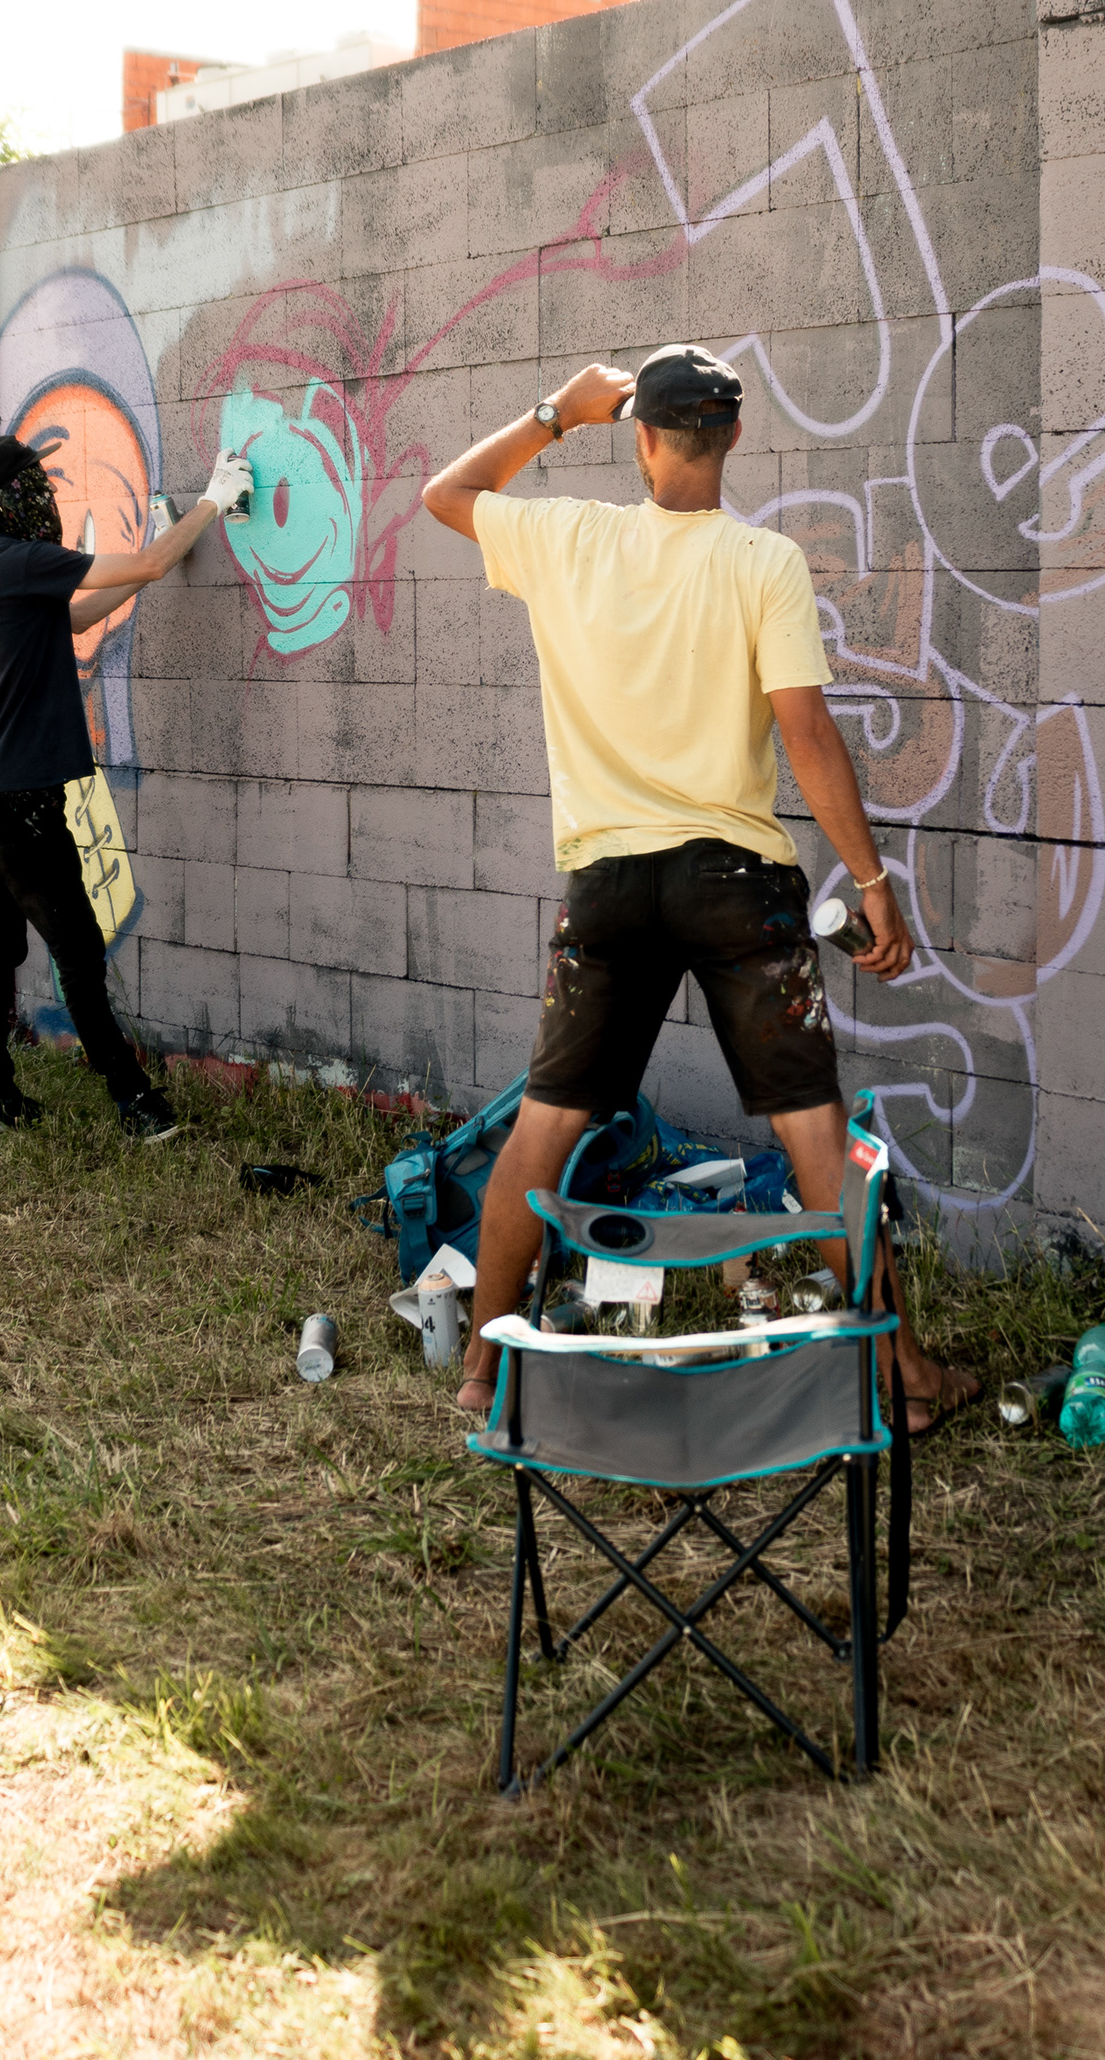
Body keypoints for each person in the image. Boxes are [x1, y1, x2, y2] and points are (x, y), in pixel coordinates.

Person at [421, 342, 976, 1432]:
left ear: (642, 438)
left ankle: (486, 1374)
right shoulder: (764, 561)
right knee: (816, 1138)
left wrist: (555, 412)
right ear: (732, 437)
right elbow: (806, 732)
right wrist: (871, 879)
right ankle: (906, 1380)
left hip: (610, 885)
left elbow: (446, 493)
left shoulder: (570, 537)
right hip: (737, 883)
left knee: (543, 1129)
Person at [0, 430, 251, 1141]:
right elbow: (145, 562)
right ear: (12, 497)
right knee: (79, 952)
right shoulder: (20, 560)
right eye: (36, 483)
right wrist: (213, 501)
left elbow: (83, 612)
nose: (47, 495)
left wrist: (159, 549)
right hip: (23, 798)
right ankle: (134, 1099)